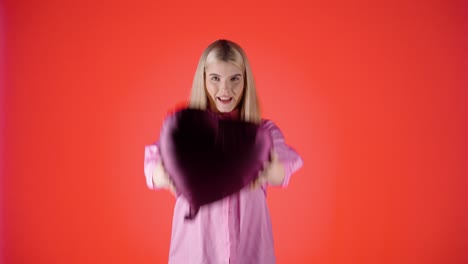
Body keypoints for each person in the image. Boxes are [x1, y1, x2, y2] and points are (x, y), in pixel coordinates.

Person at [144, 39, 303, 264]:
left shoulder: (263, 133)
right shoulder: (186, 132)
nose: (225, 89)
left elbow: (282, 171)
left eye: (234, 79)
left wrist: (267, 167)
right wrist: (165, 173)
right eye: (215, 79)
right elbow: (152, 168)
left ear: (246, 81)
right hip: (196, 253)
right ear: (204, 80)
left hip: (249, 253)